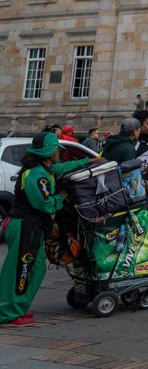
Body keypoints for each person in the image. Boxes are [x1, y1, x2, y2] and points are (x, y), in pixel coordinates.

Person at [0, 132, 99, 325]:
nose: (59, 153)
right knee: (22, 270)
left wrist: (88, 161)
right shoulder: (36, 174)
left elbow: (62, 167)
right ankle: (9, 313)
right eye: (57, 150)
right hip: (25, 227)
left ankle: (16, 308)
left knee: (34, 269)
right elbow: (45, 204)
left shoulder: (43, 168)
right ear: (50, 152)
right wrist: (62, 195)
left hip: (30, 228)